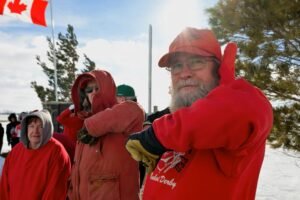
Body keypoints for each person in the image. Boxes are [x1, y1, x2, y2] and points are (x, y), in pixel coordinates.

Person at [125, 27, 273, 200]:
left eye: (196, 62)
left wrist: (157, 135)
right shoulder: (174, 122)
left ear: (218, 70)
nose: (185, 73)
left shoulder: (238, 116)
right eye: (176, 66)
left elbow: (246, 109)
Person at [68, 70, 144, 200]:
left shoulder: (127, 113)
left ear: (108, 90)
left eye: (97, 88)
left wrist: (90, 127)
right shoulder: (85, 123)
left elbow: (135, 111)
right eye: (89, 90)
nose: (93, 93)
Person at [0, 109, 71, 199]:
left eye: (40, 126)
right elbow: (4, 186)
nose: (35, 131)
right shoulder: (16, 151)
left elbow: (54, 192)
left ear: (47, 128)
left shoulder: (57, 152)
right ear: (26, 128)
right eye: (31, 126)